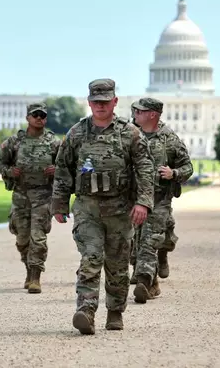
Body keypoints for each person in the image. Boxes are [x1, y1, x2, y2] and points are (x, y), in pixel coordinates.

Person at [52, 78, 154, 335]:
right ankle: (85, 310)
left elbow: (145, 167)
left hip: (120, 208)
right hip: (88, 207)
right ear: (89, 102)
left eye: (105, 102)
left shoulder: (130, 133)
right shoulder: (76, 133)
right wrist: (59, 203)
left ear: (115, 102)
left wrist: (143, 202)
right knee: (92, 256)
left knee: (118, 264)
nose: (100, 106)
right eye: (96, 102)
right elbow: (63, 169)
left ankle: (115, 311)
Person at [128, 97, 193, 303]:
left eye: (139, 111)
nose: (135, 114)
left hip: (158, 199)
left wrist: (173, 173)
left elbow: (187, 167)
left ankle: (144, 282)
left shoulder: (169, 139)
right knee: (133, 243)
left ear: (152, 114)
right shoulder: (130, 135)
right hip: (133, 198)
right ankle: (152, 281)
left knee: (149, 241)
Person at [0, 102, 61, 293]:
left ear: (45, 119)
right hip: (21, 195)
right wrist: (10, 171)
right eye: (35, 115)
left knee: (38, 237)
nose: (39, 118)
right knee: (22, 238)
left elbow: (67, 167)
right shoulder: (14, 142)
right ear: (28, 118)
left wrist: (56, 170)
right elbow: (1, 163)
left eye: (42, 115)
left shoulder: (54, 143)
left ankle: (35, 276)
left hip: (43, 195)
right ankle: (28, 267)